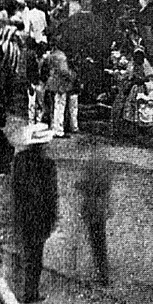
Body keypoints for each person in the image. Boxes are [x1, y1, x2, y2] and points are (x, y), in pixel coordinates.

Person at [9, 124, 58, 304]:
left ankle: (21, 288)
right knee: (36, 256)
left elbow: (15, 187)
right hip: (40, 218)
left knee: (25, 252)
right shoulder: (48, 164)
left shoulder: (20, 160)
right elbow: (52, 195)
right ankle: (31, 292)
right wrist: (52, 218)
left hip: (23, 215)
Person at [76, 153, 113, 286]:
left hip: (93, 209)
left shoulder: (92, 167)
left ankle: (102, 275)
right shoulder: (102, 167)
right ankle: (102, 273)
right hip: (98, 209)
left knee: (96, 242)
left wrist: (82, 186)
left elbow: (88, 187)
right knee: (99, 242)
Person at [41, 41, 76, 137]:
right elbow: (64, 71)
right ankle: (59, 130)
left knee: (55, 107)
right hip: (61, 85)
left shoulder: (51, 55)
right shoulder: (61, 57)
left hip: (53, 83)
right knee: (60, 107)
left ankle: (54, 127)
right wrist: (71, 76)